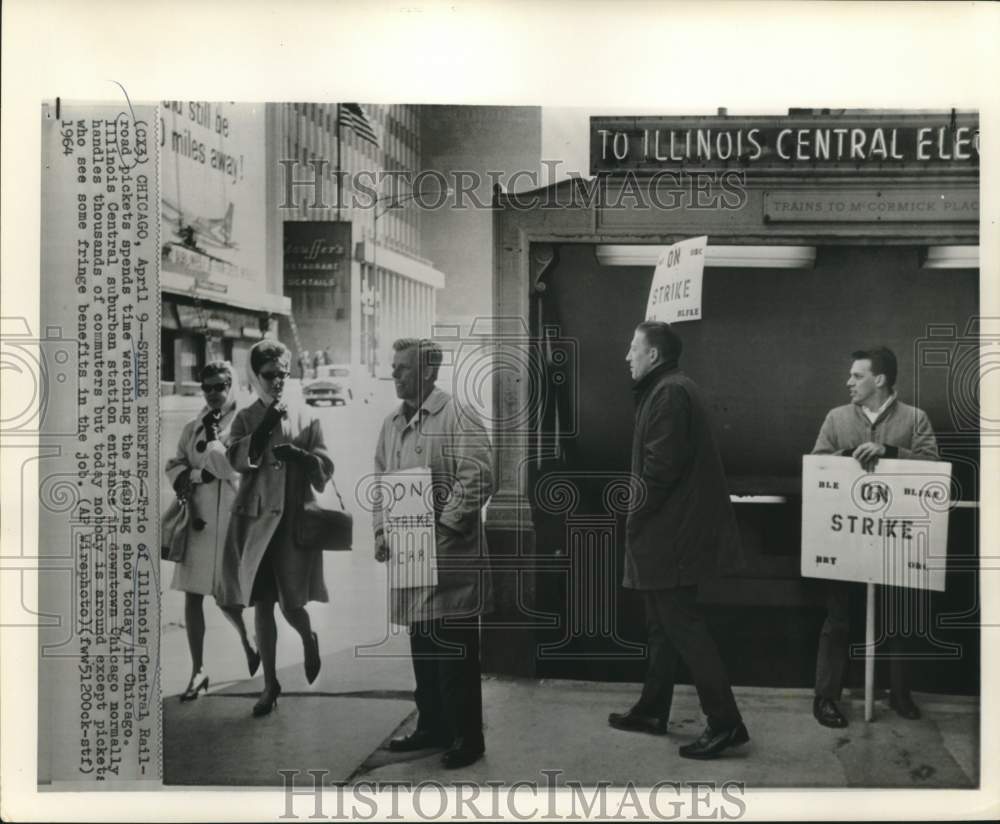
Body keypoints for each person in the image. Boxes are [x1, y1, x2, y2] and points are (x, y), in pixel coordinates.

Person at [609, 321, 749, 760]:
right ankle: (653, 710)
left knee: (684, 628)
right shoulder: (668, 388)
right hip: (671, 534)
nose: (627, 356)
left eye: (634, 348)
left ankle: (726, 723)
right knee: (663, 628)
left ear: (654, 355)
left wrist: (632, 513)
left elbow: (660, 470)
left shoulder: (668, 393)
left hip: (670, 537)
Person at [373, 338, 495, 769]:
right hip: (409, 551)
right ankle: (432, 726)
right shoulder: (391, 423)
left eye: (402, 367)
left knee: (455, 651)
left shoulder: (456, 414)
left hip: (448, 555)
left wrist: (445, 524)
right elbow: (381, 481)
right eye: (394, 366)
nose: (394, 374)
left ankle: (467, 736)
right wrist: (380, 532)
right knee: (422, 644)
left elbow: (479, 473)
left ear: (427, 371)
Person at [811, 346, 939, 728]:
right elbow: (816, 462)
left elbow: (934, 467)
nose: (848, 382)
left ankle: (900, 695)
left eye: (857, 376)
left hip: (895, 536)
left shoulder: (915, 420)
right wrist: (848, 453)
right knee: (838, 619)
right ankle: (826, 697)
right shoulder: (836, 418)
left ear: (879, 380)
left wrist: (891, 451)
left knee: (897, 616)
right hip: (847, 538)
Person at [217, 340, 333, 717]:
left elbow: (325, 467)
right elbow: (237, 461)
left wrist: (304, 457)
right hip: (255, 523)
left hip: (292, 524)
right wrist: (264, 429)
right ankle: (270, 684)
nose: (278, 381)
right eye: (270, 375)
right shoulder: (246, 417)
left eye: (284, 373)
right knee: (262, 603)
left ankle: (308, 637)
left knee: (291, 603)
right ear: (255, 377)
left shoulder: (306, 416)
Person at [165, 361, 260, 701]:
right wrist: (193, 476)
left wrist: (212, 443)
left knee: (225, 595)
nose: (214, 393)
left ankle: (248, 640)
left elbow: (228, 466)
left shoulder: (244, 422)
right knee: (192, 595)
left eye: (221, 386)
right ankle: (198, 671)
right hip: (198, 520)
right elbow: (174, 464)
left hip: (232, 520)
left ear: (232, 385)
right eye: (207, 387)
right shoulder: (193, 427)